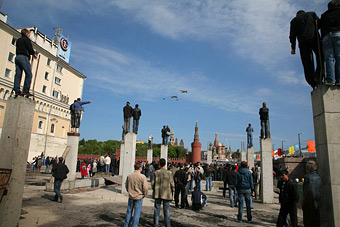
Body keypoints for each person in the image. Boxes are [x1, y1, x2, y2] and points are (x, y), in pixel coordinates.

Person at [290, 10, 324, 89]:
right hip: (314, 38)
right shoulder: (312, 14)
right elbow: (319, 24)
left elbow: (292, 35)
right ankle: (319, 76)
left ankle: (312, 81)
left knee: (307, 63)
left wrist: (293, 47)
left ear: (296, 15)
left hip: (303, 43)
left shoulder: (294, 21)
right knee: (320, 57)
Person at [320, 1, 340, 85]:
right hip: (338, 33)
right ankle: (339, 80)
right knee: (339, 57)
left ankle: (330, 80)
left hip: (327, 36)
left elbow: (321, 28)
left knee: (329, 58)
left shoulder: (324, 15)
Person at [13, 28, 37, 97]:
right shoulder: (26, 40)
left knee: (18, 74)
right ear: (26, 34)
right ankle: (26, 91)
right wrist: (33, 53)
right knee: (29, 74)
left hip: (17, 57)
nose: (29, 35)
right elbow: (29, 48)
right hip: (24, 57)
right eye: (29, 34)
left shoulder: (18, 40)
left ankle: (17, 90)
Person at [151, 158, 175, 227]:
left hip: (157, 193)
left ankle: (156, 224)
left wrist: (154, 190)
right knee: (166, 210)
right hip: (166, 194)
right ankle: (168, 225)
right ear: (165, 164)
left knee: (156, 210)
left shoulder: (156, 173)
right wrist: (172, 191)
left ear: (159, 164)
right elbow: (172, 184)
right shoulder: (169, 173)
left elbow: (152, 183)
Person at [124, 162, 148, 227]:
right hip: (139, 196)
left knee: (129, 211)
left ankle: (126, 224)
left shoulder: (129, 176)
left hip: (131, 196)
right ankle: (134, 225)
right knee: (136, 213)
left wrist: (129, 191)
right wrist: (144, 194)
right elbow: (145, 188)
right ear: (140, 168)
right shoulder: (143, 177)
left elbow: (126, 185)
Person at [302, 160, 322, 227]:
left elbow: (308, 193)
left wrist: (304, 203)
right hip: (317, 205)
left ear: (307, 168)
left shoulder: (308, 178)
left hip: (309, 206)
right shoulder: (318, 177)